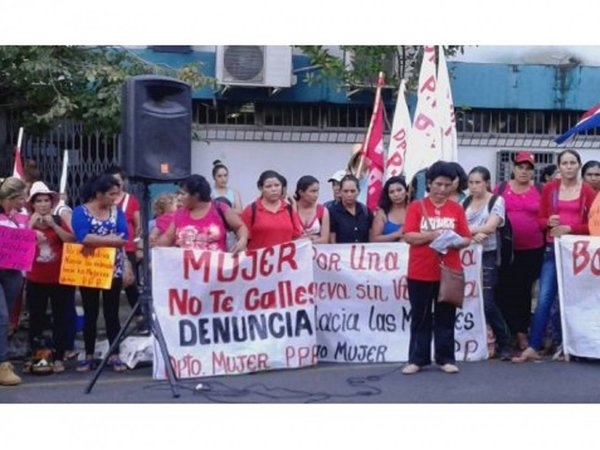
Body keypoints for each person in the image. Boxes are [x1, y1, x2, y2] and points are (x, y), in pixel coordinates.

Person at [513, 149, 596, 363]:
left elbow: (594, 226)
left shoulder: (588, 192)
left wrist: (570, 228)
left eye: (572, 162)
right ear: (559, 167)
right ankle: (533, 346)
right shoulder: (550, 189)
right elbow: (540, 220)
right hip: (552, 248)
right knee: (544, 298)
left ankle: (570, 345)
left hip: (577, 252)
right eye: (565, 163)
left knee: (575, 300)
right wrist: (548, 223)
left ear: (578, 166)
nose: (569, 166)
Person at [401, 161, 472, 375]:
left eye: (447, 185)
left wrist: (455, 241)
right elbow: (408, 235)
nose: (442, 190)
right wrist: (431, 235)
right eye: (439, 184)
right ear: (429, 183)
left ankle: (445, 358)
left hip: (448, 270)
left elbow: (467, 238)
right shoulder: (416, 207)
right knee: (420, 316)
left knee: (445, 316)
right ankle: (417, 358)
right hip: (420, 270)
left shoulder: (456, 209)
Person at [71, 174, 129, 372]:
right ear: (99, 194)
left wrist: (97, 240)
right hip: (90, 270)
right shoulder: (80, 211)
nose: (115, 198)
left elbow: (123, 238)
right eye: (111, 194)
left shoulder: (117, 211)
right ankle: (89, 354)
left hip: (114, 269)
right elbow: (83, 237)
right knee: (90, 312)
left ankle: (114, 354)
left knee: (112, 313)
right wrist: (109, 240)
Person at [493, 151, 544, 351]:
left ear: (533, 171)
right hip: (505, 249)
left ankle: (522, 332)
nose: (524, 172)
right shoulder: (501, 188)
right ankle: (508, 332)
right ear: (513, 168)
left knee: (524, 291)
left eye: (528, 168)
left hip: (532, 249)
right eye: (520, 167)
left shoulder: (540, 190)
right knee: (504, 290)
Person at [25, 182, 75, 373]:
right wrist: (30, 225)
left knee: (60, 318)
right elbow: (17, 242)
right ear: (33, 204)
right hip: (35, 278)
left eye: (46, 200)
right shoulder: (26, 220)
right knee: (36, 319)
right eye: (39, 201)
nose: (43, 204)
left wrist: (54, 225)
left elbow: (71, 240)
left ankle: (59, 356)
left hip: (59, 278)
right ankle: (35, 356)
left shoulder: (58, 220)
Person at [463, 167, 511, 360]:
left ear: (487, 183)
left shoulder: (496, 201)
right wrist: (474, 233)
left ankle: (505, 342)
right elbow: (457, 226)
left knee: (488, 303)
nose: (474, 187)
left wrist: (468, 231)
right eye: (471, 183)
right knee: (469, 299)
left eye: (478, 182)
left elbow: (491, 226)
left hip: (488, 255)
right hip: (467, 255)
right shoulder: (464, 202)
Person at [158, 174, 248, 253]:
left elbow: (240, 227)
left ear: (196, 195)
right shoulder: (179, 214)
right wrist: (154, 244)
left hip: (215, 270)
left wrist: (242, 241)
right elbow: (167, 237)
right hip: (185, 270)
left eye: (183, 194)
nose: (180, 198)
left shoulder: (220, 208)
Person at [0, 177, 28, 386]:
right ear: (12, 197)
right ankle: (2, 364)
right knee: (0, 316)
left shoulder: (20, 217)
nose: (25, 201)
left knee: (6, 318)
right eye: (22, 197)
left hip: (12, 272)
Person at [105, 166, 141, 316]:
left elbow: (138, 224)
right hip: (108, 247)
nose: (116, 186)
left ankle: (139, 315)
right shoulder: (105, 199)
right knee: (111, 285)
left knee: (130, 283)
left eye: (119, 182)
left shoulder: (130, 200)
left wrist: (137, 242)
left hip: (128, 247)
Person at [241, 170, 302, 251]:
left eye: (277, 185)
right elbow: (243, 239)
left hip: (284, 261)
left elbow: (297, 237)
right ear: (260, 188)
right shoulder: (251, 210)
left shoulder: (289, 209)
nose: (274, 189)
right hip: (259, 261)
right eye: (268, 186)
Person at [329, 175, 373, 244]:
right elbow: (332, 242)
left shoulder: (366, 211)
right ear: (340, 192)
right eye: (345, 191)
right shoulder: (332, 212)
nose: (349, 194)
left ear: (358, 191)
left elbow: (371, 240)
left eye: (352, 191)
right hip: (341, 254)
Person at [369, 175, 407, 242]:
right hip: (390, 252)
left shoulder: (415, 209)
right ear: (388, 195)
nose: (396, 194)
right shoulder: (382, 213)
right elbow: (374, 239)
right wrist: (397, 234)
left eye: (399, 190)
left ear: (406, 191)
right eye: (391, 192)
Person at [294, 175, 330, 244]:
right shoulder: (291, 209)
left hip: (316, 253)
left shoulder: (322, 210)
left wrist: (303, 240)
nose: (316, 195)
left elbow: (325, 240)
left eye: (317, 191)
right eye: (312, 191)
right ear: (301, 192)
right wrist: (311, 239)